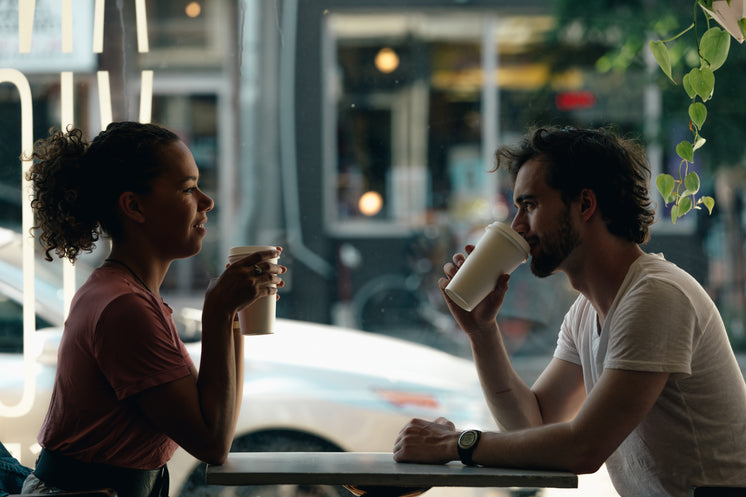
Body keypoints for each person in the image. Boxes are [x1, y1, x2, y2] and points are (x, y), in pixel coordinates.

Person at [393, 126, 746, 496]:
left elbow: (583, 448)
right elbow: (534, 425)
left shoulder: (656, 296)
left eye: (529, 205)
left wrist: (455, 444)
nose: (517, 226)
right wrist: (481, 332)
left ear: (585, 204)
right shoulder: (586, 312)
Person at [21, 122, 286, 497]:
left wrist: (233, 314)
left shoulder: (123, 292)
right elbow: (212, 442)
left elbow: (216, 422)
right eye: (188, 188)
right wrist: (219, 312)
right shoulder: (124, 308)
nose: (206, 202)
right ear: (134, 206)